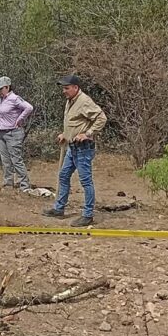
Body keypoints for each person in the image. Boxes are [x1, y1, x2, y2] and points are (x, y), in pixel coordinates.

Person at [43, 75, 107, 227]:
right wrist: (65, 135)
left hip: (84, 148)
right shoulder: (70, 101)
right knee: (63, 175)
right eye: (63, 88)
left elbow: (101, 118)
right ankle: (59, 209)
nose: (64, 91)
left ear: (75, 88)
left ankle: (88, 215)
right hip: (72, 147)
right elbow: (75, 123)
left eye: (66, 88)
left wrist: (88, 133)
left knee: (85, 181)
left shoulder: (84, 101)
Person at [0, 76, 34, 193]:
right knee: (5, 160)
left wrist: (20, 120)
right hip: (1, 133)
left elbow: (29, 107)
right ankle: (8, 183)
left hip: (12, 133)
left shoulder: (14, 98)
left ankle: (24, 184)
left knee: (16, 159)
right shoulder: (0, 99)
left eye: (1, 88)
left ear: (7, 87)